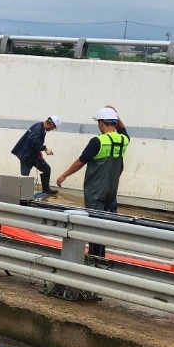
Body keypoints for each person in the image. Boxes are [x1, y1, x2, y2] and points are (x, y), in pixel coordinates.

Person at [55, 106, 130, 259]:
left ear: (101, 123)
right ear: (114, 122)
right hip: (112, 190)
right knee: (104, 223)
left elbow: (80, 162)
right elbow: (122, 129)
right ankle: (99, 254)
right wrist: (116, 114)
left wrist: (64, 175)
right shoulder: (124, 140)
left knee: (94, 224)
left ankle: (95, 256)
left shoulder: (97, 141)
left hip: (96, 189)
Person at [11, 115, 61, 197]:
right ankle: (22, 196)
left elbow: (34, 142)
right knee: (24, 177)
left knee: (46, 169)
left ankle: (46, 190)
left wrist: (39, 151)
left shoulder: (40, 127)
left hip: (33, 155)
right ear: (50, 123)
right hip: (26, 156)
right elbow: (33, 140)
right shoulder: (38, 128)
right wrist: (44, 148)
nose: (52, 129)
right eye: (53, 127)